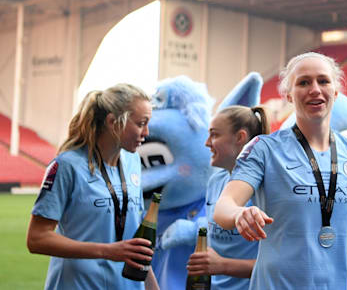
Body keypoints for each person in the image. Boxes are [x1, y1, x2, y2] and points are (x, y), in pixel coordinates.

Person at [213, 53, 347, 289]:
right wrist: (239, 214)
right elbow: (223, 206)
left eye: (323, 81)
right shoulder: (264, 149)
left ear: (336, 92)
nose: (315, 89)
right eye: (304, 82)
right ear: (289, 95)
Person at [27, 84, 160, 290]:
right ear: (112, 122)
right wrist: (107, 251)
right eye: (141, 123)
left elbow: (134, 241)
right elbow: (37, 239)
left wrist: (153, 287)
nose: (147, 132)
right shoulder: (67, 165)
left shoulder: (133, 161)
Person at [187, 105, 270, 290]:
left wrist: (223, 265)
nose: (207, 143)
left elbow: (283, 267)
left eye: (214, 135)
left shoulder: (268, 187)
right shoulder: (216, 180)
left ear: (240, 137)